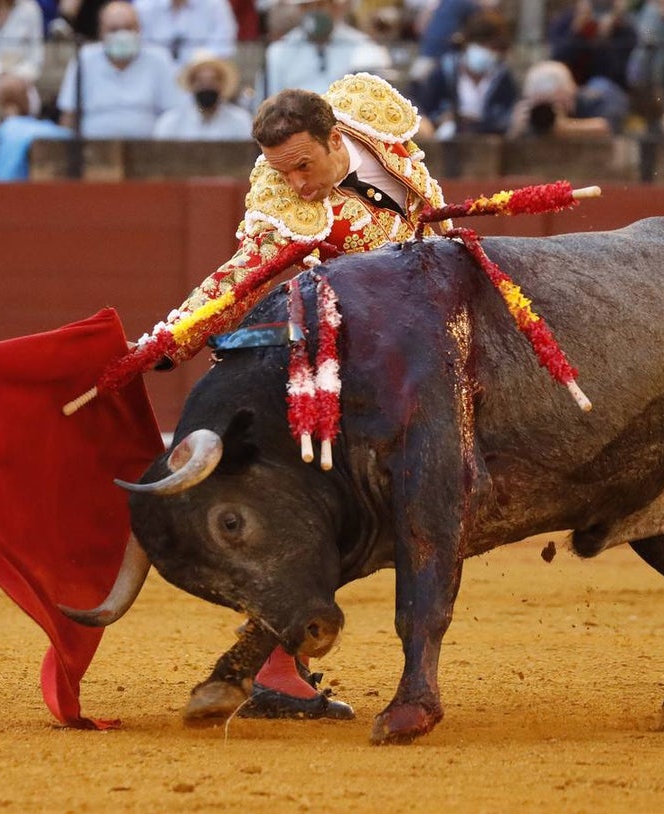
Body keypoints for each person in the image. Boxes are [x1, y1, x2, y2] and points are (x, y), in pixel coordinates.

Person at [148, 72, 449, 721]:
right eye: (282, 172)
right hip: (344, 369)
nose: (297, 185)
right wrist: (173, 334)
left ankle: (271, 667)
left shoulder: (376, 118)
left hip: (418, 344)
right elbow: (239, 275)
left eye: (304, 166)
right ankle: (276, 668)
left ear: (337, 137)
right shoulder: (281, 200)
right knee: (352, 519)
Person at [57, 0, 185, 138]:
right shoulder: (85, 59)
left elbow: (174, 112)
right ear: (101, 32)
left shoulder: (159, 59)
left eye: (128, 28)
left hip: (149, 151)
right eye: (114, 30)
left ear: (139, 29)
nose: (122, 35)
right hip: (93, 150)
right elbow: (69, 114)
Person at [413, 9, 518, 137]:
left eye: (493, 47)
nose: (487, 51)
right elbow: (425, 110)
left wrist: (477, 122)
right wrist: (440, 119)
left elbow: (507, 118)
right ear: (468, 43)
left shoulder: (503, 78)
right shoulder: (443, 72)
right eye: (482, 45)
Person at [262, 0, 391, 96]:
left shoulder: (367, 51)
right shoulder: (279, 52)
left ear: (340, 7)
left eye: (321, 5)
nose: (315, 12)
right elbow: (270, 107)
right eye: (307, 6)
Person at [547, 0, 636, 133]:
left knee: (602, 86)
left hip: (604, 91)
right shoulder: (564, 22)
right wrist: (576, 31)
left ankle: (568, 128)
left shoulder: (624, 27)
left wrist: (603, 37)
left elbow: (618, 74)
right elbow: (556, 61)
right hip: (567, 87)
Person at [152, 48, 252, 139]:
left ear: (222, 84)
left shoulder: (240, 122)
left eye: (212, 80)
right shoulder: (170, 123)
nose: (207, 86)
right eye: (200, 81)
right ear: (191, 84)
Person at [507, 58, 612, 138]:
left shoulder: (589, 100)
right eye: (540, 103)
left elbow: (606, 127)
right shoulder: (527, 115)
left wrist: (566, 127)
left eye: (552, 102)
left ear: (569, 93)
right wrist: (514, 130)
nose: (546, 110)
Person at [132, 0, 237, 64]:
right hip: (155, 77)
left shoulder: (216, 5)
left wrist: (199, 61)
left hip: (199, 78)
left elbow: (223, 47)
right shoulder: (143, 7)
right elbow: (138, 47)